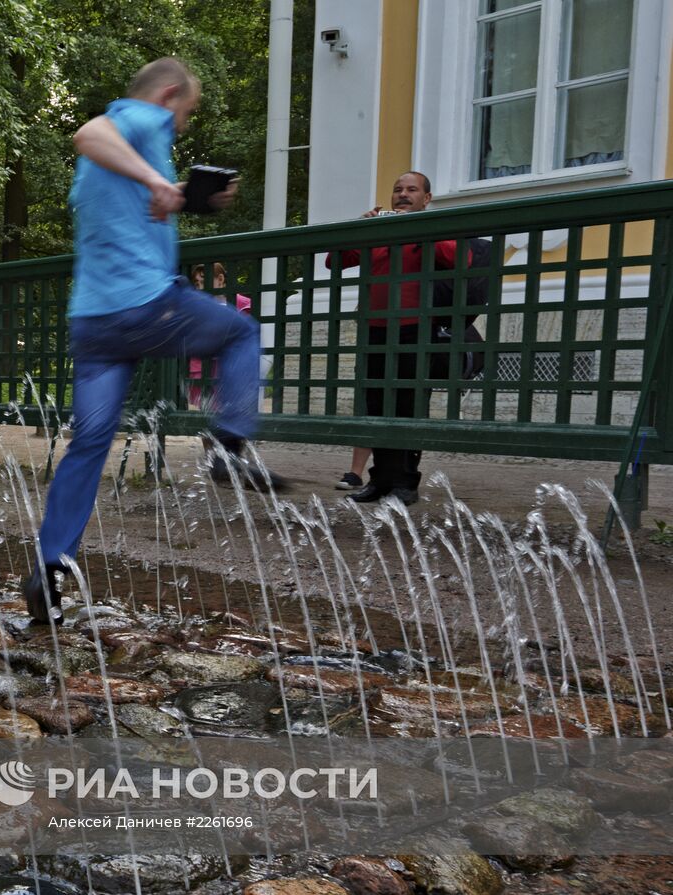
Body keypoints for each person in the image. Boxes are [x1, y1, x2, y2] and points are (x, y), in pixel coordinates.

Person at [23, 57, 281, 625]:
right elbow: (87, 133)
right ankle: (229, 446)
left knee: (89, 444)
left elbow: (128, 205)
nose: (182, 126)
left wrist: (182, 193)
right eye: (185, 113)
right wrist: (159, 180)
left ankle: (48, 566)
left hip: (93, 324)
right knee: (240, 332)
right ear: (168, 96)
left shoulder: (112, 165)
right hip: (145, 306)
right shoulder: (139, 120)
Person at [326, 171, 469, 505]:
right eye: (397, 189)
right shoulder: (378, 232)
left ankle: (406, 483)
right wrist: (360, 228)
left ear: (427, 198)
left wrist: (418, 230)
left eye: (412, 190)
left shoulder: (433, 230)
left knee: (408, 406)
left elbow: (457, 257)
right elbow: (334, 260)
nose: (403, 195)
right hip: (375, 330)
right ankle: (380, 480)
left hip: (415, 329)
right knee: (376, 405)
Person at [186, 263, 253, 410]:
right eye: (197, 284)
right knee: (204, 405)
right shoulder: (197, 306)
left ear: (221, 279)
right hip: (201, 364)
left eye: (203, 282)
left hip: (229, 363)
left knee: (228, 403)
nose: (200, 288)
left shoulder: (242, 304)